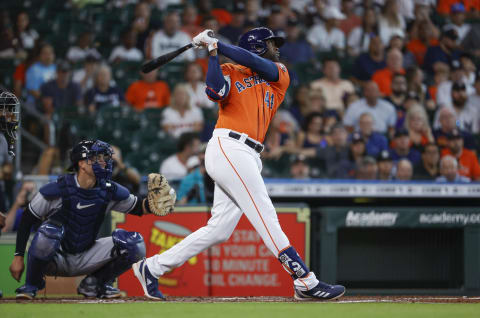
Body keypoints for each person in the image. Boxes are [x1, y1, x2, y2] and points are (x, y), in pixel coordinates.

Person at [133, 27, 346, 301]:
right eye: (271, 43)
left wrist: (216, 44)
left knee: (219, 230)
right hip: (228, 147)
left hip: (249, 154)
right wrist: (212, 54)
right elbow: (215, 91)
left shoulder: (279, 73)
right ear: (257, 45)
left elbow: (256, 63)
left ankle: (152, 267)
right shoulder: (231, 70)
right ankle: (305, 280)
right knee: (266, 215)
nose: (276, 48)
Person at [9, 139, 176, 299]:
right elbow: (27, 220)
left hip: (87, 254)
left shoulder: (109, 190)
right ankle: (31, 284)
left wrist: (155, 205)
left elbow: (139, 207)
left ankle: (94, 284)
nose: (103, 162)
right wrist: (18, 258)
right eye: (96, 158)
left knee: (135, 243)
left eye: (104, 158)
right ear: (81, 163)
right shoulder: (57, 189)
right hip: (55, 257)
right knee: (47, 233)